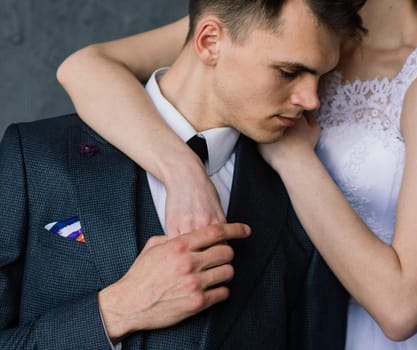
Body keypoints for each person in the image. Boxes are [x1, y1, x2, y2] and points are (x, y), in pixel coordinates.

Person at [57, 1, 417, 349]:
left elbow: (402, 308)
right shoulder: (282, 20)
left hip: (365, 337)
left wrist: (293, 158)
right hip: (269, 317)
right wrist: (182, 170)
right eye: (290, 73)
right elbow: (84, 68)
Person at [0, 0, 366, 349]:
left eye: (320, 76)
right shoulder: (35, 156)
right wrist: (114, 312)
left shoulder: (305, 202)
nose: (311, 99)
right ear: (210, 42)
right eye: (289, 71)